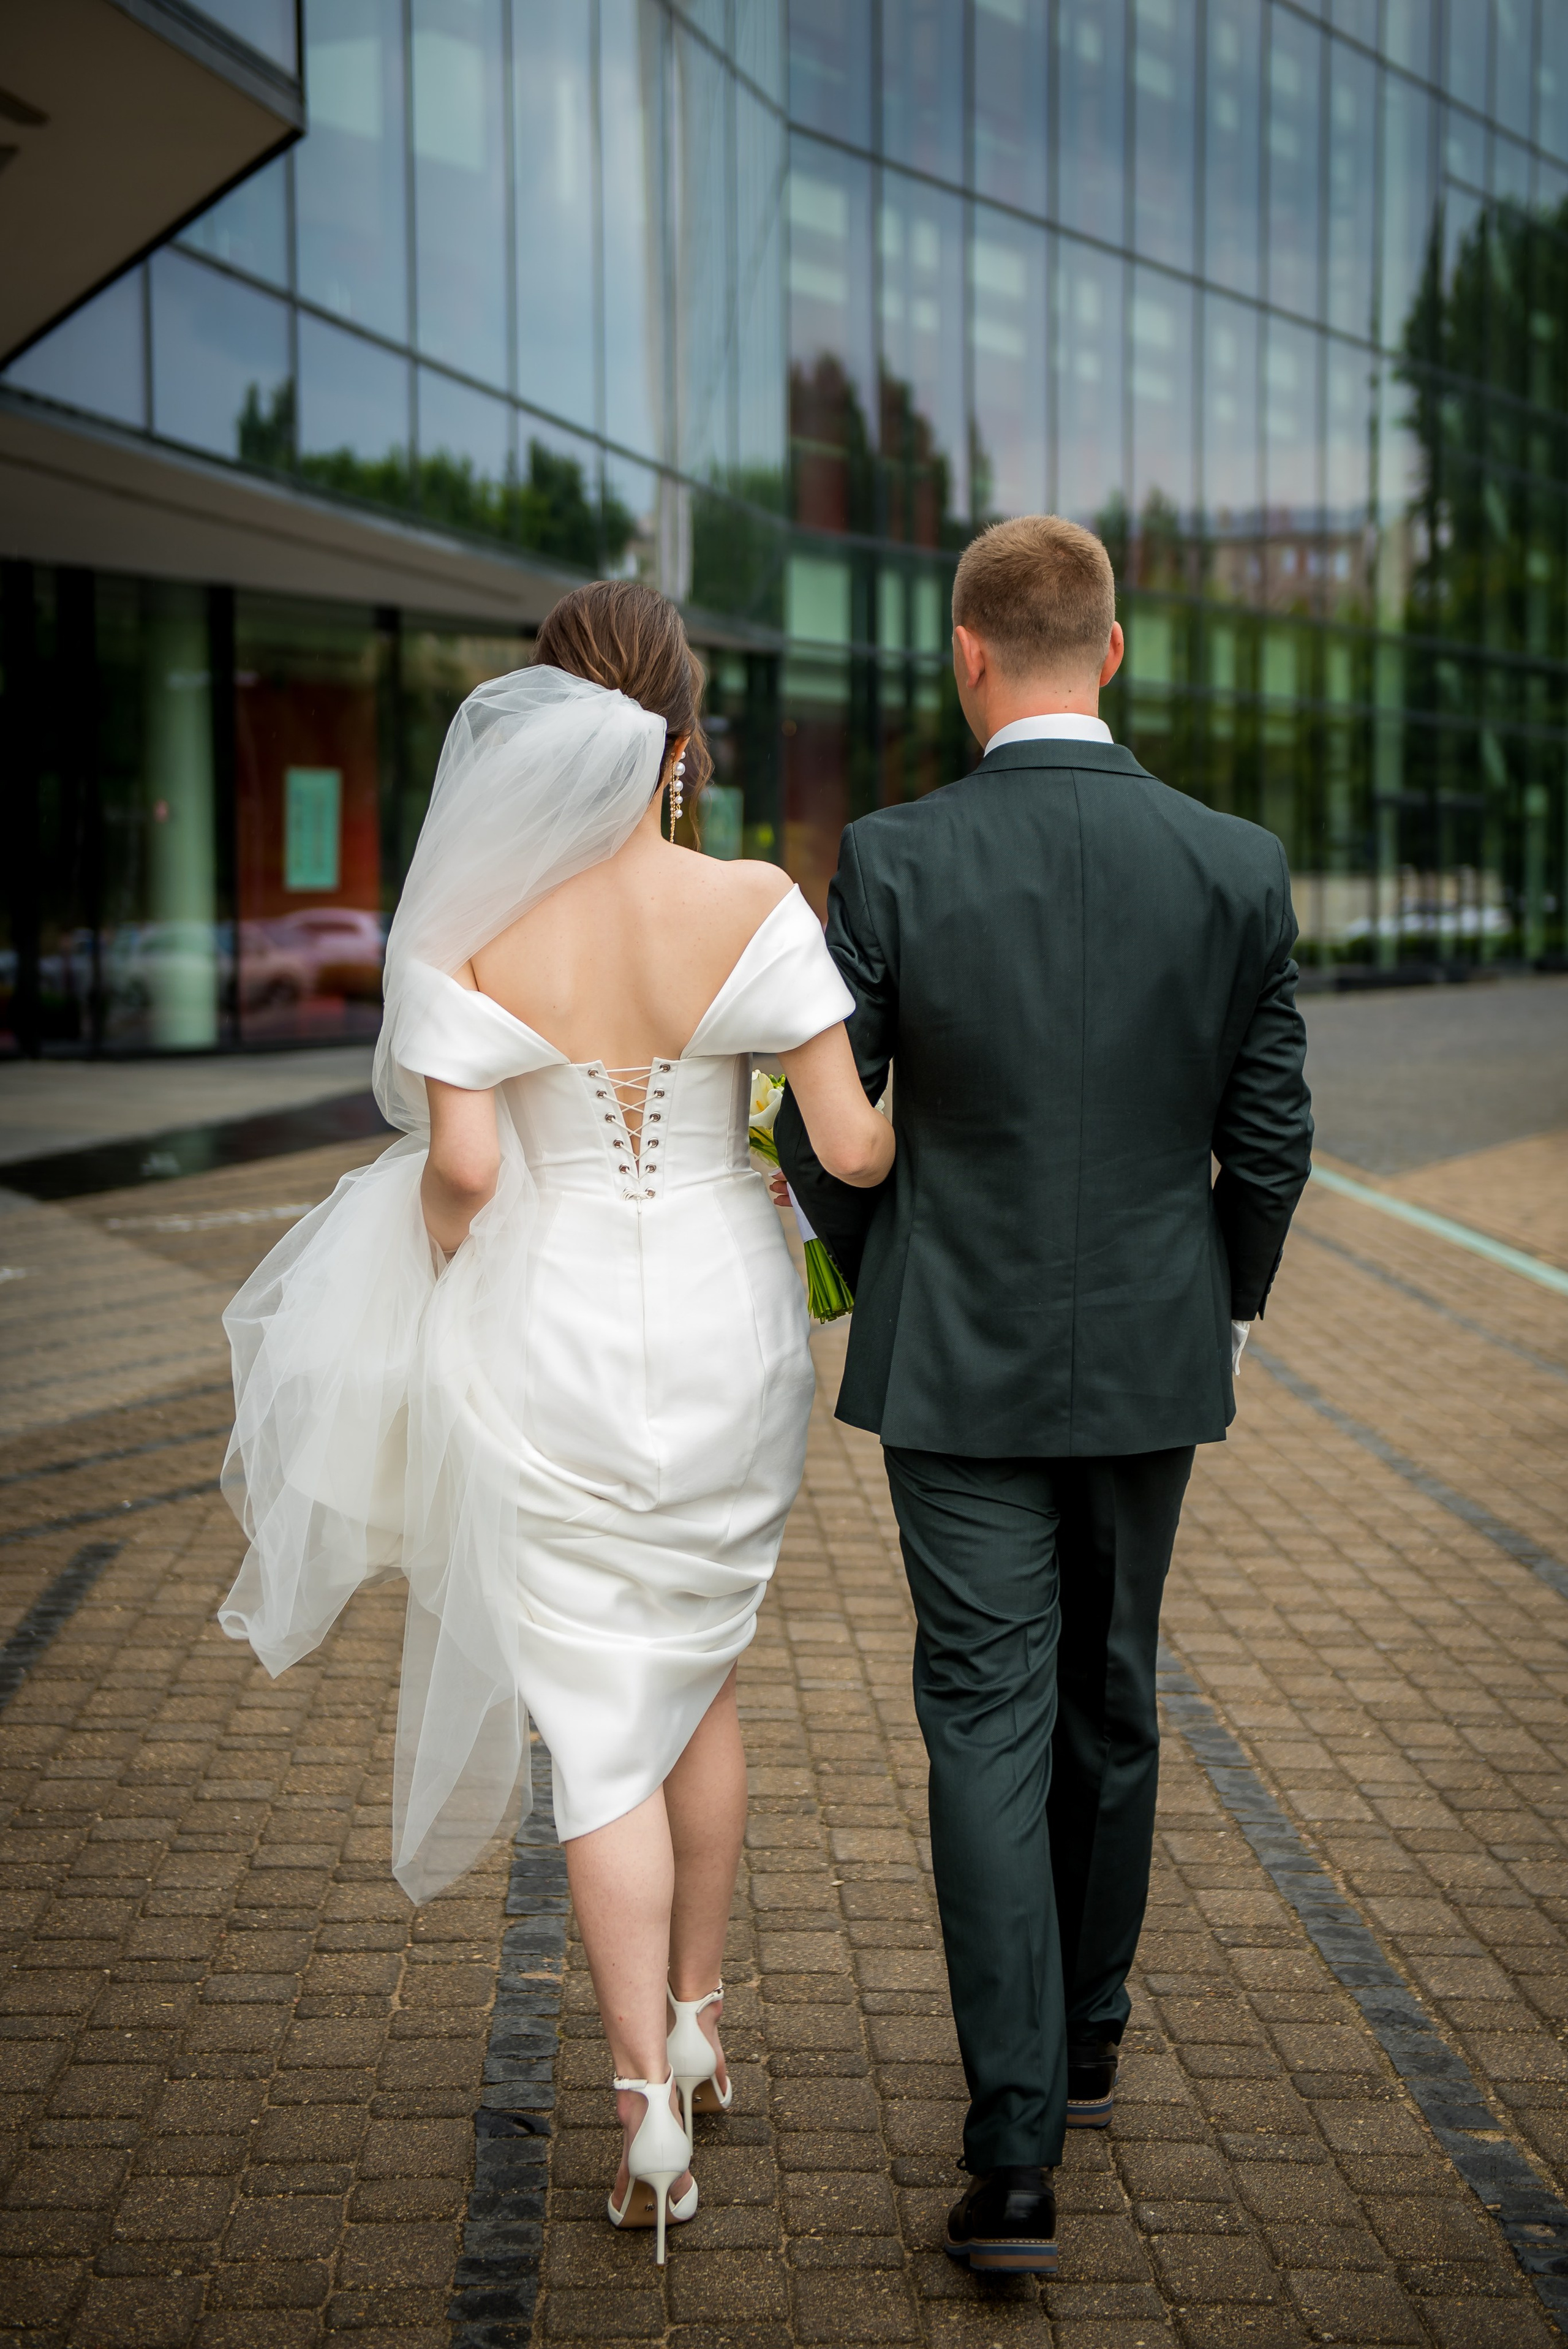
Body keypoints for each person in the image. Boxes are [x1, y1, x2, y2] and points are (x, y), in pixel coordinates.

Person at [218, 581, 894, 2263]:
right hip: (730, 1330)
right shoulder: (752, 901)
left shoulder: (472, 934)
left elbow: (459, 1172)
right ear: (680, 744)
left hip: (557, 1320)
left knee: (596, 1713)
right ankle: (702, 2025)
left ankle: (641, 2115)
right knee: (704, 1667)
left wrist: (446, 1269)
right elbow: (858, 1151)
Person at [777, 515, 1313, 2276]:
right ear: (1119, 647)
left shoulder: (894, 859)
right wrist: (1216, 1314)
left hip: (952, 1360)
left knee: (984, 1715)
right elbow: (1273, 1135)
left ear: (967, 654)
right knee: (1113, 1682)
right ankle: (1088, 2031)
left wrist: (868, 1267)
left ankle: (1012, 2164)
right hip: (1157, 1350)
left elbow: (822, 1122)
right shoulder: (1236, 864)